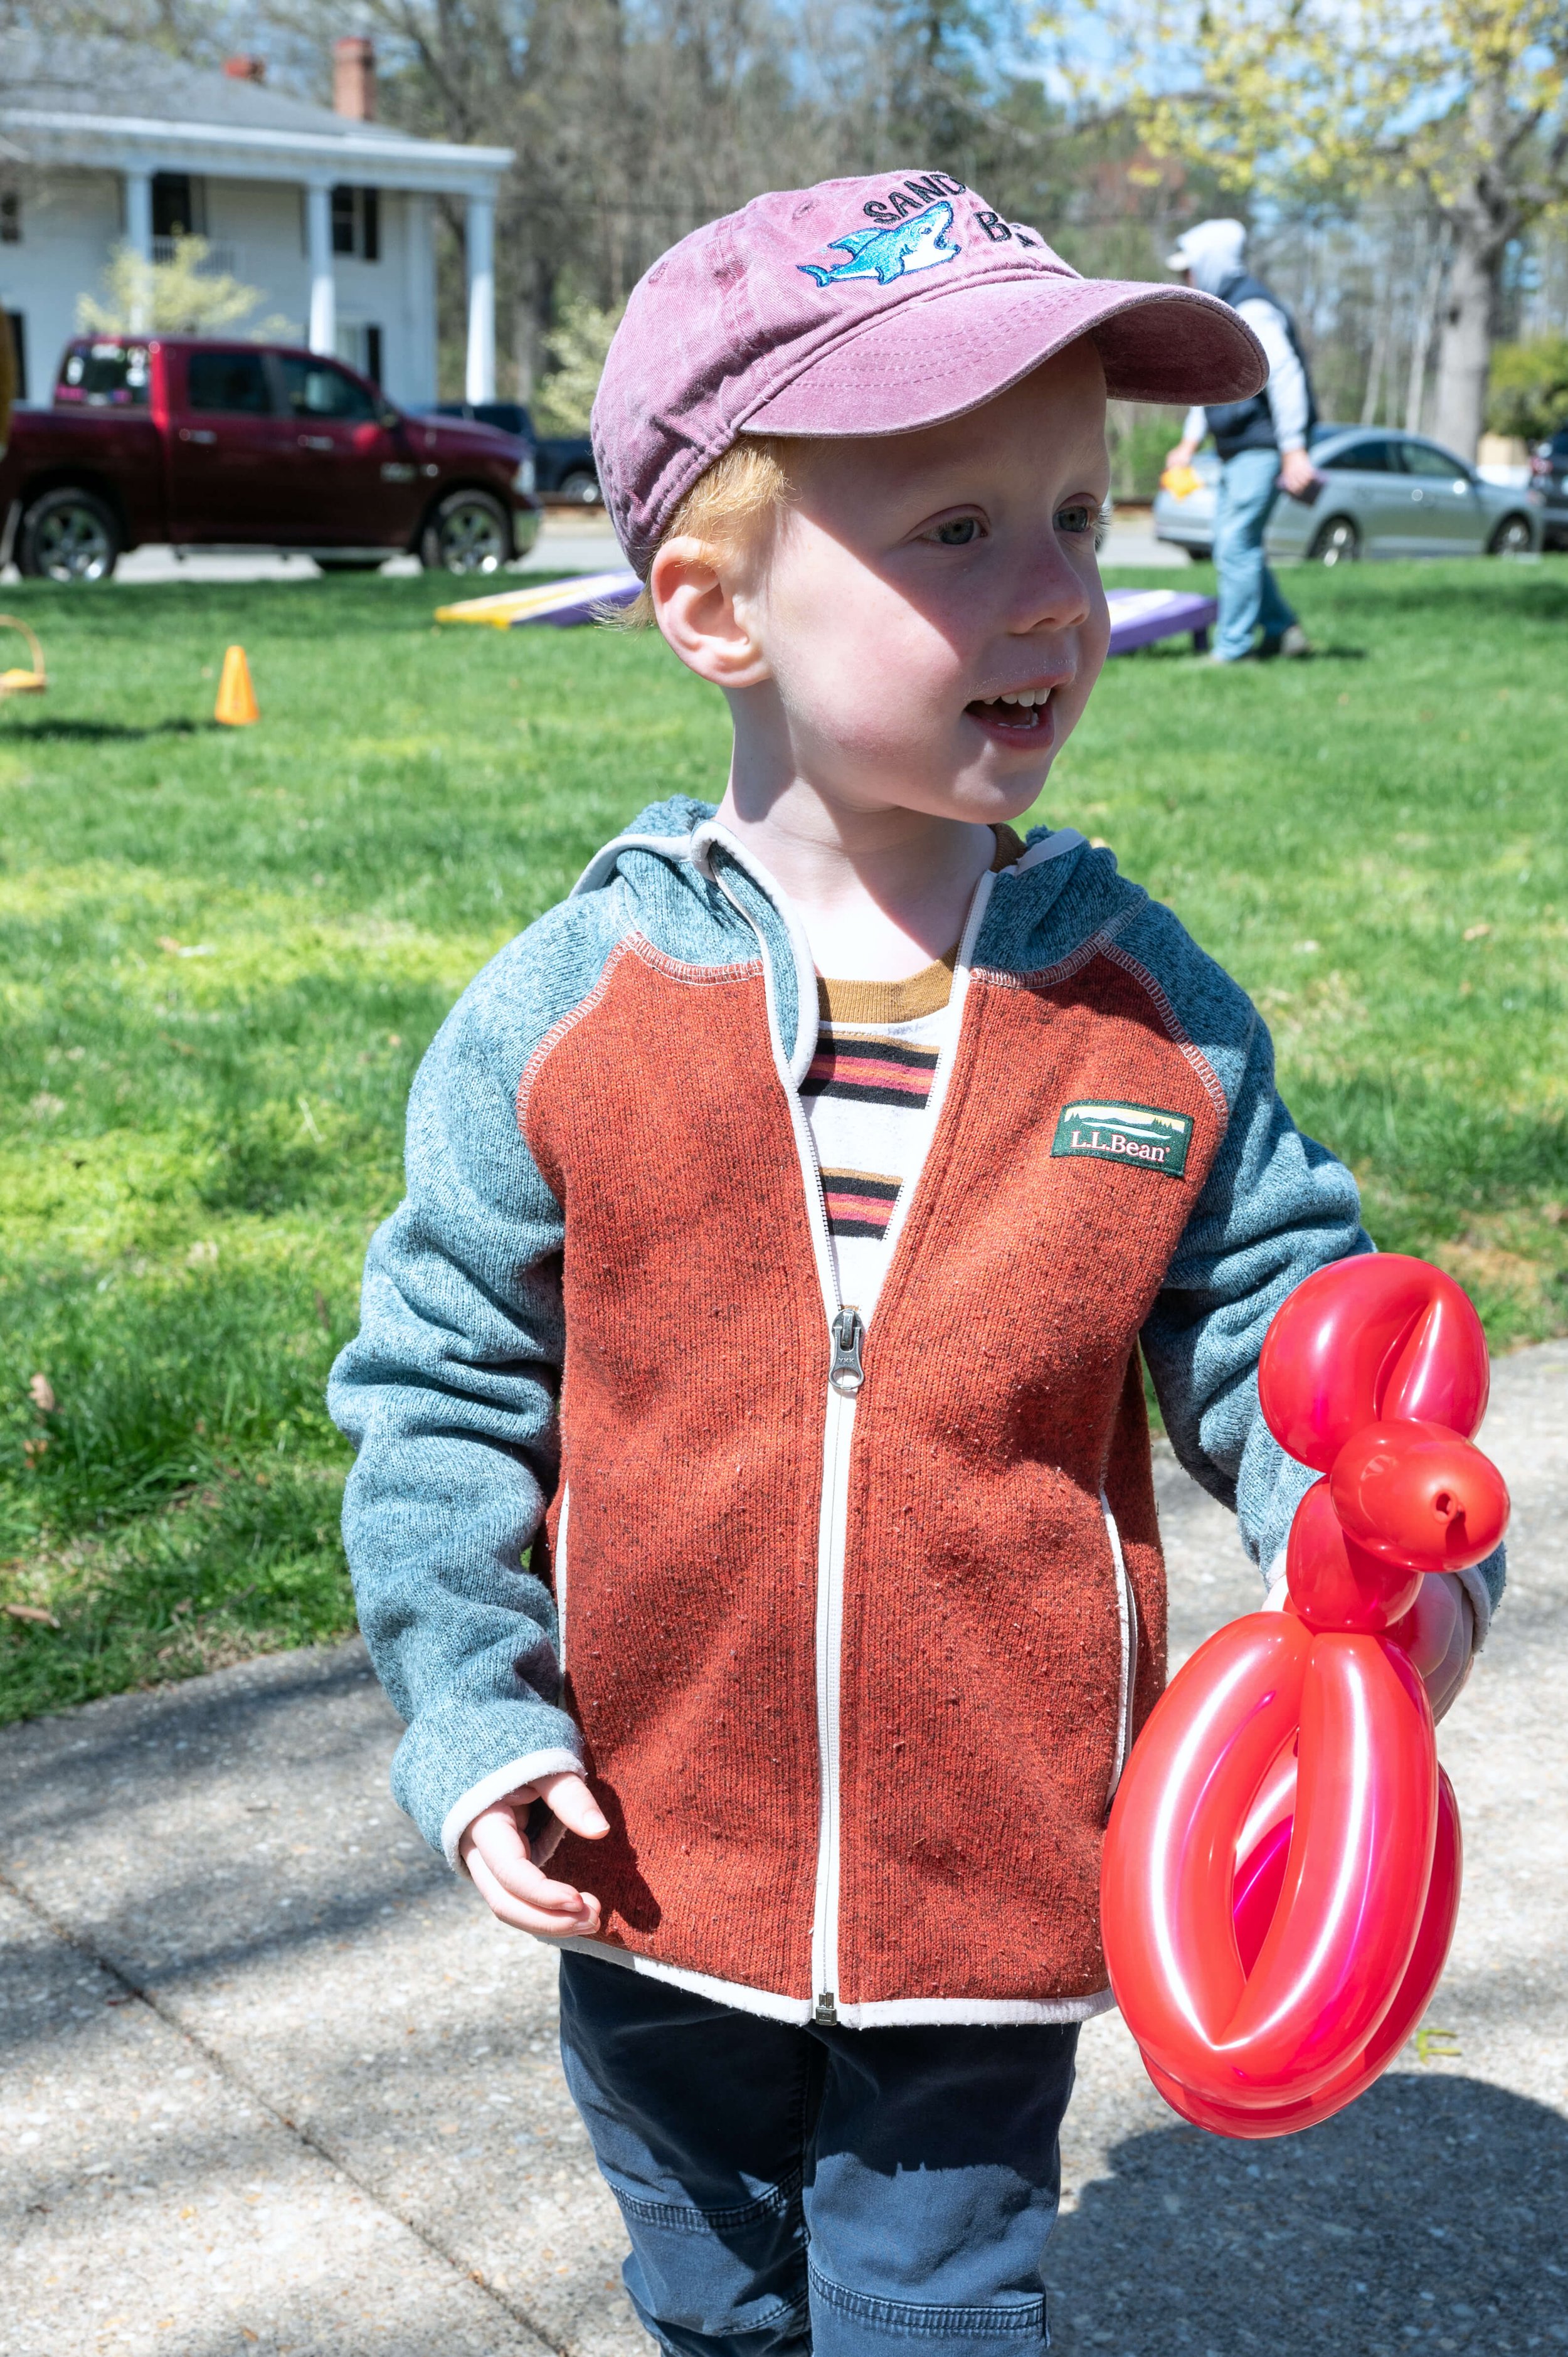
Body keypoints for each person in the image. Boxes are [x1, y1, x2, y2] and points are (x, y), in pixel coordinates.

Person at [329, 172, 1498, 2357]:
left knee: (935, 2310)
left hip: (996, 1873)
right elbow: (437, 1381)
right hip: (650, 1856)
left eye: (1077, 514)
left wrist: (1365, 1561)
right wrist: (475, 1717)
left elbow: (1278, 1323)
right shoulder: (571, 1011)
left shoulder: (1137, 1008)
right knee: (710, 2292)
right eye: (957, 530)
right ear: (713, 608)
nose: (1057, 590)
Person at [1164, 218, 1319, 662]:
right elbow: (1213, 386)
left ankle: (1232, 648)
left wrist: (1293, 449)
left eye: (1190, 269)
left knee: (1235, 543)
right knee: (1234, 543)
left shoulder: (1253, 308)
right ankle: (1283, 629)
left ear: (1211, 263)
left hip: (1262, 445)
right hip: (1237, 449)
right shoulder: (1225, 309)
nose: (1186, 279)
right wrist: (1188, 445)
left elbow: (1285, 375)